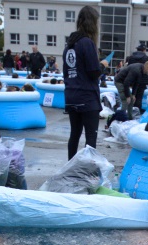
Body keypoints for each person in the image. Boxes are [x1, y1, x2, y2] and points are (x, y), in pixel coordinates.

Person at [63, 6, 108, 160]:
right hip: (87, 97)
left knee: (74, 135)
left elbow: (67, 72)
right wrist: (103, 65)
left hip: (71, 95)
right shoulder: (87, 43)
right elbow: (93, 72)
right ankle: (86, 172)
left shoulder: (69, 45)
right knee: (90, 138)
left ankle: (70, 168)